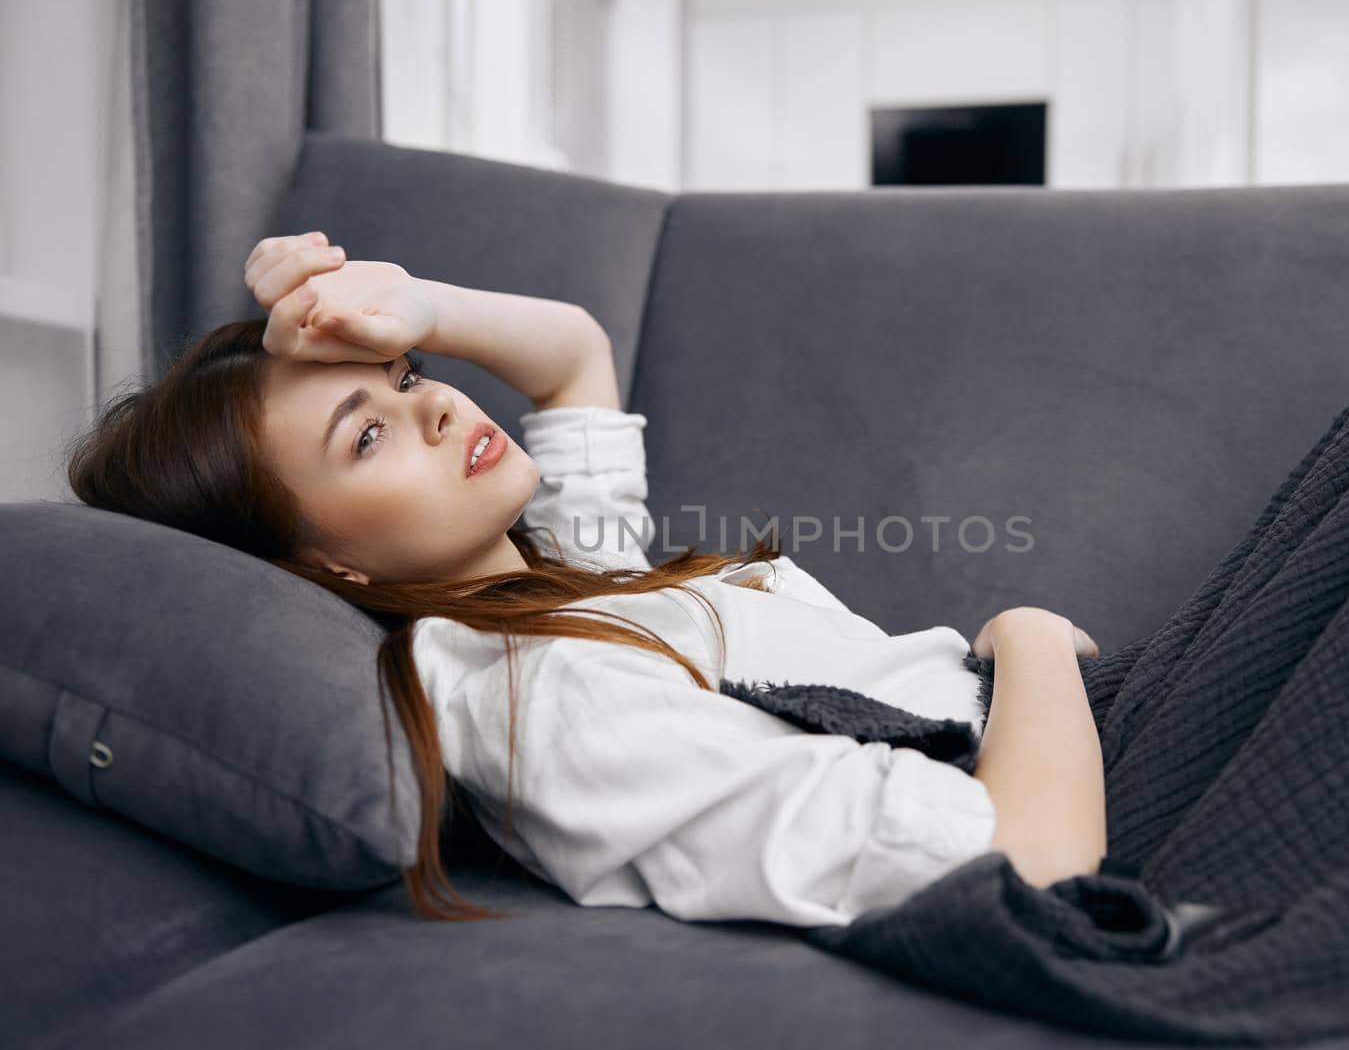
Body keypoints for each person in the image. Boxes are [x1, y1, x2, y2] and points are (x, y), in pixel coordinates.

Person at [65, 230, 1104, 927]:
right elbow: (1024, 862)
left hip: (1068, 736)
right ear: (319, 563)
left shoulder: (563, 579)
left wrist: (408, 303)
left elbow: (572, 361)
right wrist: (1026, 636)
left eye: (407, 375)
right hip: (1081, 773)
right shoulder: (540, 698)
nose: (434, 405)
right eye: (368, 432)